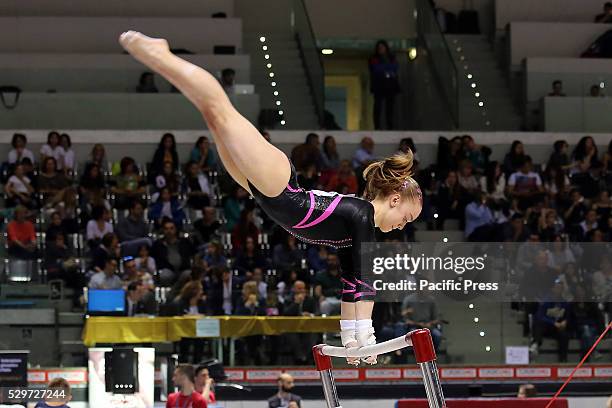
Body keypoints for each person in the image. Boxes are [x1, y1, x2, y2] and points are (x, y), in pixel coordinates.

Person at [120, 31, 423, 365]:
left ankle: (163, 60)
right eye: (406, 217)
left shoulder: (359, 225)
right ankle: (161, 55)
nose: (401, 227)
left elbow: (351, 283)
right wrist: (365, 335)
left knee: (213, 118)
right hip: (282, 188)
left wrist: (351, 340)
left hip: (265, 194)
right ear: (394, 198)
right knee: (219, 111)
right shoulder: (363, 215)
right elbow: (366, 283)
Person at [369, 40, 400, 130]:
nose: (381, 49)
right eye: (379, 48)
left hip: (390, 86)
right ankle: (377, 126)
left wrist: (385, 70)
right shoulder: (374, 58)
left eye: (382, 47)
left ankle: (390, 126)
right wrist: (387, 71)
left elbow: (394, 68)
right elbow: (376, 70)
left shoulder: (391, 58)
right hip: (379, 86)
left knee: (389, 108)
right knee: (378, 107)